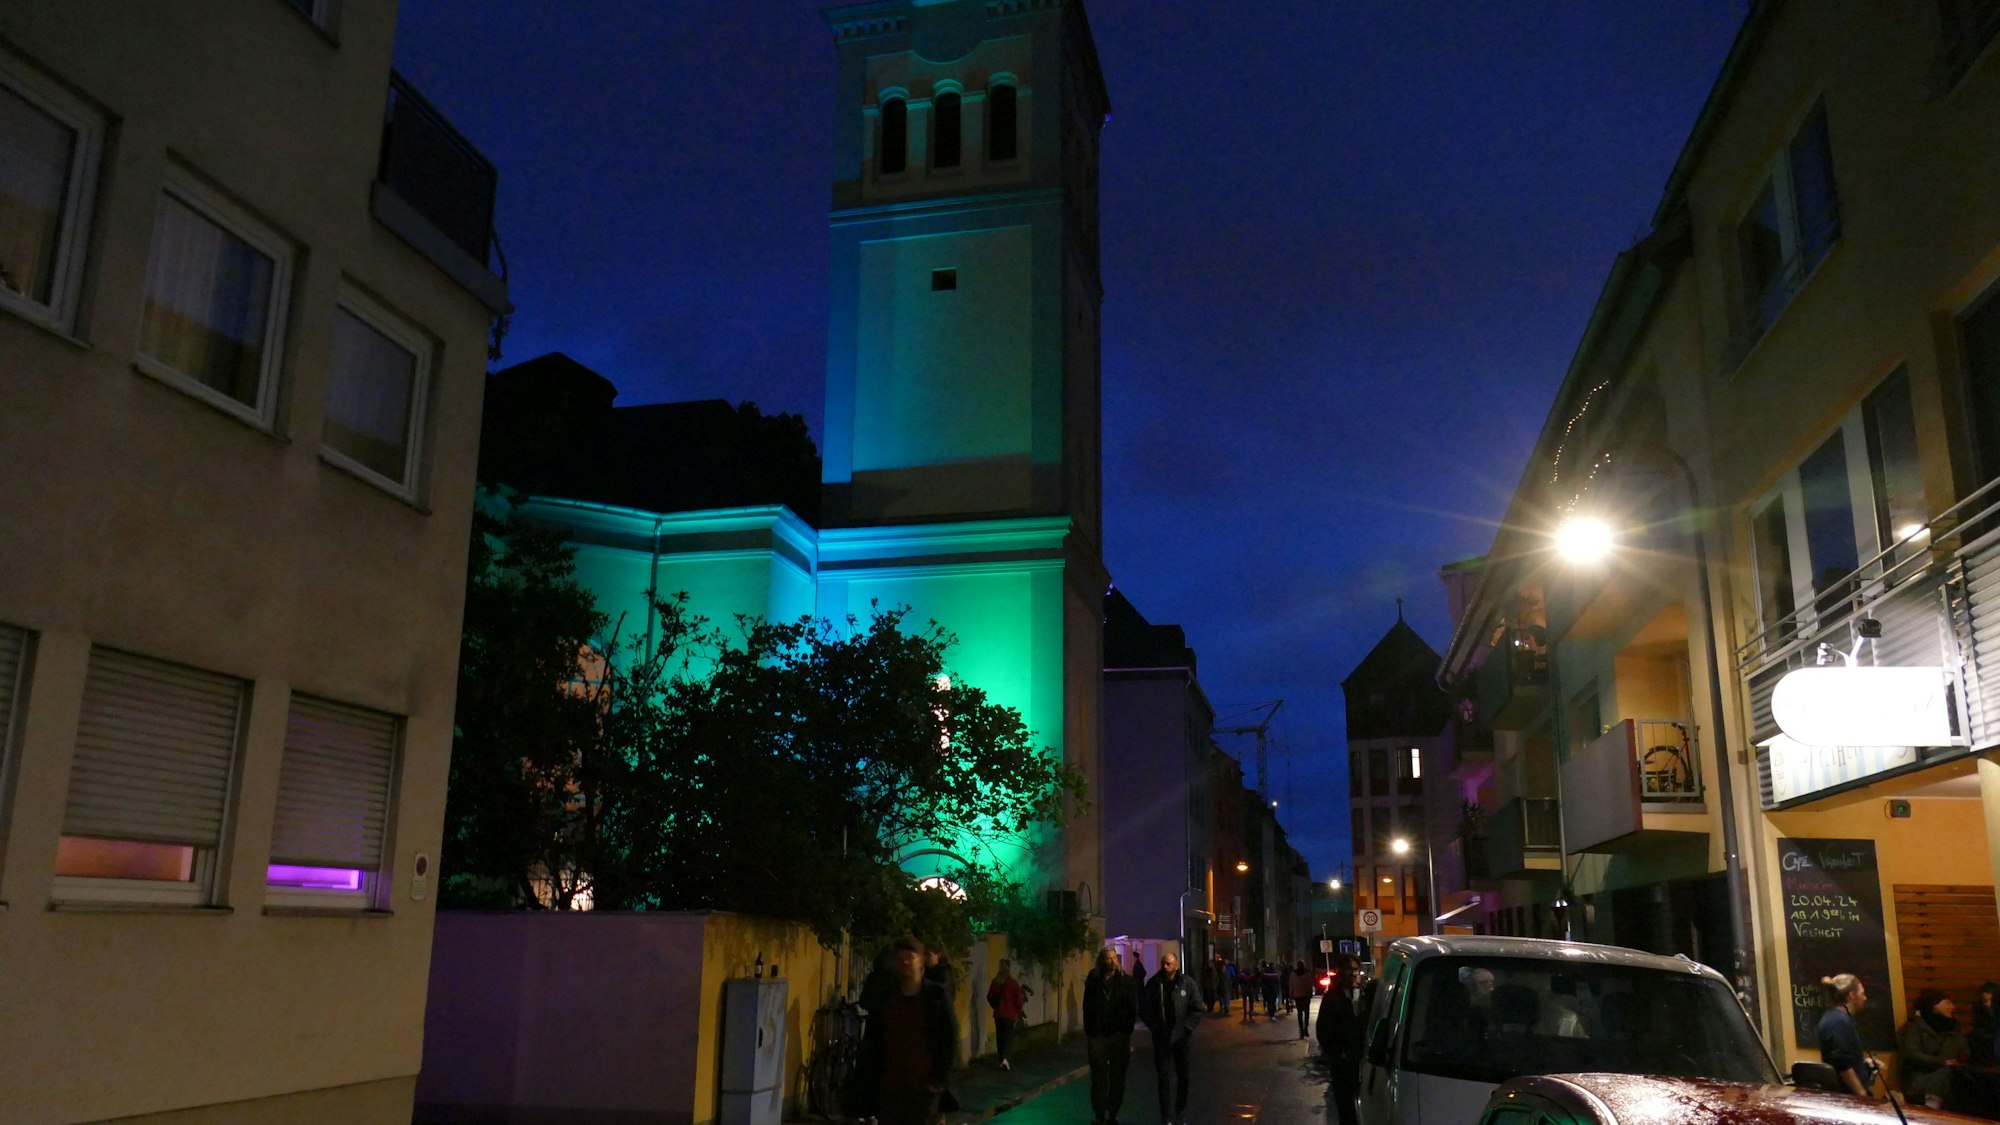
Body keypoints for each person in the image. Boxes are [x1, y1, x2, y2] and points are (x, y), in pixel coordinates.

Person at [847, 935, 959, 1125]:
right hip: (891, 1088)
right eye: (900, 959)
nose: (905, 963)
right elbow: (874, 1040)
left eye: (910, 958)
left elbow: (949, 1037)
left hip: (923, 1089)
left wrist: (938, 1080)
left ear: (920, 960)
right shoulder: (887, 997)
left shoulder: (935, 997)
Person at [1142, 952, 1203, 1125]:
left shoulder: (1187, 984)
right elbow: (1145, 1008)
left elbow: (1196, 1008)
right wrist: (1154, 1027)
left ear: (1176, 965)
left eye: (1168, 964)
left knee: (1183, 1076)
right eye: (1163, 963)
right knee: (1163, 1077)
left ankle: (1180, 1111)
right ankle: (1166, 1116)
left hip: (1181, 1038)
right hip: (1162, 1037)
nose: (1165, 966)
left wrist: (1186, 1028)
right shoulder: (1154, 984)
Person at [1084, 946, 1138, 1125]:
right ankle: (1099, 1114)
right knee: (1098, 1077)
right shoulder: (1094, 980)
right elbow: (1087, 1006)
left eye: (1115, 958)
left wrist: (1126, 1030)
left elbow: (1132, 1007)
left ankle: (1113, 1112)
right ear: (1102, 960)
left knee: (1117, 1077)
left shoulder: (1126, 982)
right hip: (1098, 1035)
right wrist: (1090, 1031)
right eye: (1109, 958)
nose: (1113, 961)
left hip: (1118, 1035)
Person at [1899, 988, 1970, 1109]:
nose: (1952, 1007)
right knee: (1945, 1075)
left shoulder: (1953, 1028)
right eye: (1947, 1003)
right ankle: (1931, 1110)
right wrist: (1942, 1062)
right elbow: (1911, 1054)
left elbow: (1964, 1051)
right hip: (1920, 1080)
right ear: (1934, 1006)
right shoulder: (1915, 1027)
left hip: (1950, 1077)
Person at [1316, 955, 1363, 1125]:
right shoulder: (1332, 998)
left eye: (1356, 970)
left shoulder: (1363, 994)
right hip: (1342, 1063)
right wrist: (1337, 1053)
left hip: (1362, 1061)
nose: (1353, 973)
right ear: (1341, 972)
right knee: (1345, 1108)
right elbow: (1323, 1029)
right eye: (1349, 969)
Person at [1816, 973, 1878, 1100]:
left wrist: (1862, 1062)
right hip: (1848, 1098)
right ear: (1851, 996)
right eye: (1862, 993)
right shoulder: (1840, 1021)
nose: (1865, 998)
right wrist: (1862, 1095)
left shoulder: (1833, 1018)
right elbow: (1842, 1065)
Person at [987, 958, 1027, 1072]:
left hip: (998, 1014)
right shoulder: (1013, 983)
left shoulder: (995, 982)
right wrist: (1018, 1011)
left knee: (1000, 1037)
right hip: (1010, 1015)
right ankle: (1005, 1059)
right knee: (1008, 1038)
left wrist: (995, 1006)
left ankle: (1001, 1060)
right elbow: (1019, 1001)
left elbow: (989, 996)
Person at [1290, 958, 1316, 1039]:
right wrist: (1311, 993)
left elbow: (1291, 985)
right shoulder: (1307, 973)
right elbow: (1310, 984)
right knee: (1307, 1012)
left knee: (1300, 1014)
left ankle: (1301, 1030)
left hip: (1298, 996)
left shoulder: (1293, 974)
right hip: (1305, 996)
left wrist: (1291, 995)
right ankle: (1305, 1029)